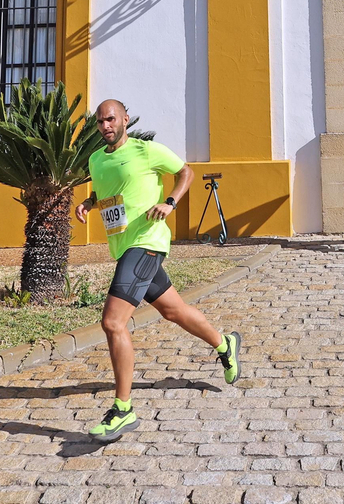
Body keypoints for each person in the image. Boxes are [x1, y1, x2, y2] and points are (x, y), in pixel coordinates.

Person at [74, 99, 241, 442]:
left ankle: (123, 410)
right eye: (100, 122)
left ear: (125, 119)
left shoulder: (147, 151)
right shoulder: (96, 158)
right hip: (124, 247)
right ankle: (224, 344)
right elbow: (107, 188)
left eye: (111, 119)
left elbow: (186, 172)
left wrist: (170, 202)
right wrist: (89, 203)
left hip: (147, 241)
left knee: (113, 322)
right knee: (174, 310)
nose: (105, 126)